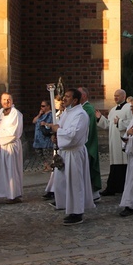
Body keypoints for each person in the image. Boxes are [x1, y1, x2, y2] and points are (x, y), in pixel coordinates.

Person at [46, 88, 95, 225]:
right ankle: (68, 207)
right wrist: (55, 137)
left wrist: (58, 131)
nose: (64, 99)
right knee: (64, 181)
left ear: (75, 100)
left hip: (74, 153)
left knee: (75, 182)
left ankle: (77, 212)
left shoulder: (80, 115)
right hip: (65, 152)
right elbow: (61, 130)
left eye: (67, 97)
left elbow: (73, 135)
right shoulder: (67, 113)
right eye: (64, 96)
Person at [0, 92, 24, 204]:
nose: (6, 102)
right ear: (0, 101)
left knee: (10, 171)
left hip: (9, 146)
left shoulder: (16, 114)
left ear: (12, 100)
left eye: (8, 99)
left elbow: (14, 132)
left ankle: (12, 195)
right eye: (4, 99)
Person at [97, 89, 132, 196]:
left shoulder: (129, 108)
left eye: (117, 96)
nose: (115, 97)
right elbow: (108, 124)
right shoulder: (112, 110)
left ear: (124, 96)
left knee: (124, 164)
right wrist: (100, 118)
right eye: (114, 96)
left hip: (123, 140)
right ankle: (113, 187)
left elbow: (131, 124)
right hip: (113, 140)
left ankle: (124, 187)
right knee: (115, 164)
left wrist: (119, 123)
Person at [78, 87, 102, 201]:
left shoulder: (87, 110)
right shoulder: (82, 109)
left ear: (83, 96)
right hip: (83, 144)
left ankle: (92, 194)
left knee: (88, 169)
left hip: (87, 144)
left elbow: (88, 129)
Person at [32, 100, 54, 172]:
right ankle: (46, 165)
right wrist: (39, 114)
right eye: (41, 106)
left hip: (45, 138)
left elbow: (51, 124)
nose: (42, 107)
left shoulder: (50, 114)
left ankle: (49, 166)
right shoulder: (42, 115)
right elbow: (34, 121)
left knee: (46, 153)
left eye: (43, 106)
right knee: (39, 152)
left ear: (48, 106)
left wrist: (45, 124)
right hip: (38, 139)